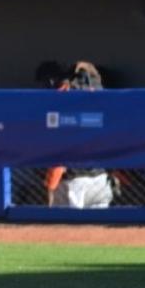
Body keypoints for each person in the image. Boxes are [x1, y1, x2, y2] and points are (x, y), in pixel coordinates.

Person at [37, 61, 115, 209]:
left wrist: (48, 191)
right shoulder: (105, 108)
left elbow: (59, 159)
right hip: (101, 180)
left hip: (74, 183)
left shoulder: (63, 107)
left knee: (64, 229)